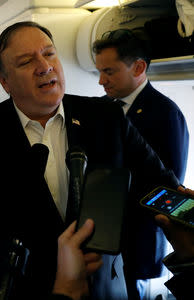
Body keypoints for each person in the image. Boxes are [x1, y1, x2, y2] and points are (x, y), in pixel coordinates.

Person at [0, 21, 185, 300]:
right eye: (26, 61)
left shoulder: (106, 118)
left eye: (49, 54)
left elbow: (160, 186)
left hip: (106, 288)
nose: (44, 66)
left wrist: (188, 214)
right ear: (5, 81)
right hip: (26, 291)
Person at [93, 28, 190, 298]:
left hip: (139, 242)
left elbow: (165, 190)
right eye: (99, 71)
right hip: (104, 242)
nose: (101, 80)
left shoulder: (166, 114)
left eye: (109, 71)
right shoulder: (102, 110)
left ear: (138, 67)